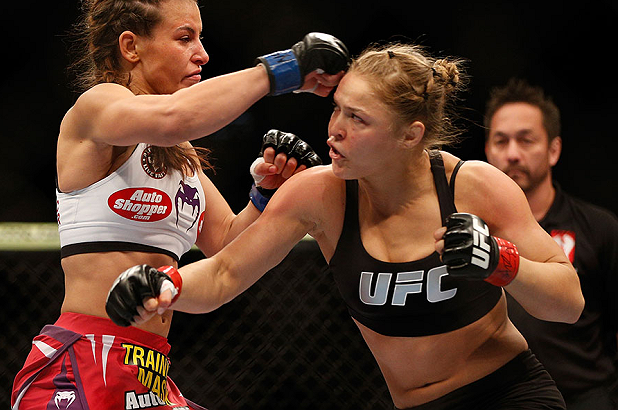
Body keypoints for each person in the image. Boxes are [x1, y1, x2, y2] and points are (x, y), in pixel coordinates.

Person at [106, 43, 585, 409]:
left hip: (510, 394)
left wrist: (502, 263)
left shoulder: (473, 186)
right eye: (337, 107)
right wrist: (165, 284)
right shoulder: (321, 193)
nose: (335, 128)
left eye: (357, 118)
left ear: (409, 135)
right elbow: (225, 273)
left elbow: (569, 302)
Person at [10, 0, 349, 410]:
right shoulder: (98, 108)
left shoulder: (179, 153)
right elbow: (174, 117)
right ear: (131, 46)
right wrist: (282, 71)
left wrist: (265, 194)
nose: (203, 54)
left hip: (151, 373)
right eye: (185, 37)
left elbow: (227, 243)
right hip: (83, 360)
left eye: (200, 38)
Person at [483, 78, 618, 409]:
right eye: (501, 141)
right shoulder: (470, 229)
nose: (512, 154)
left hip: (585, 397)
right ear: (487, 150)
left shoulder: (598, 227)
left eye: (526, 140)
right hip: (499, 397)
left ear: (554, 149)